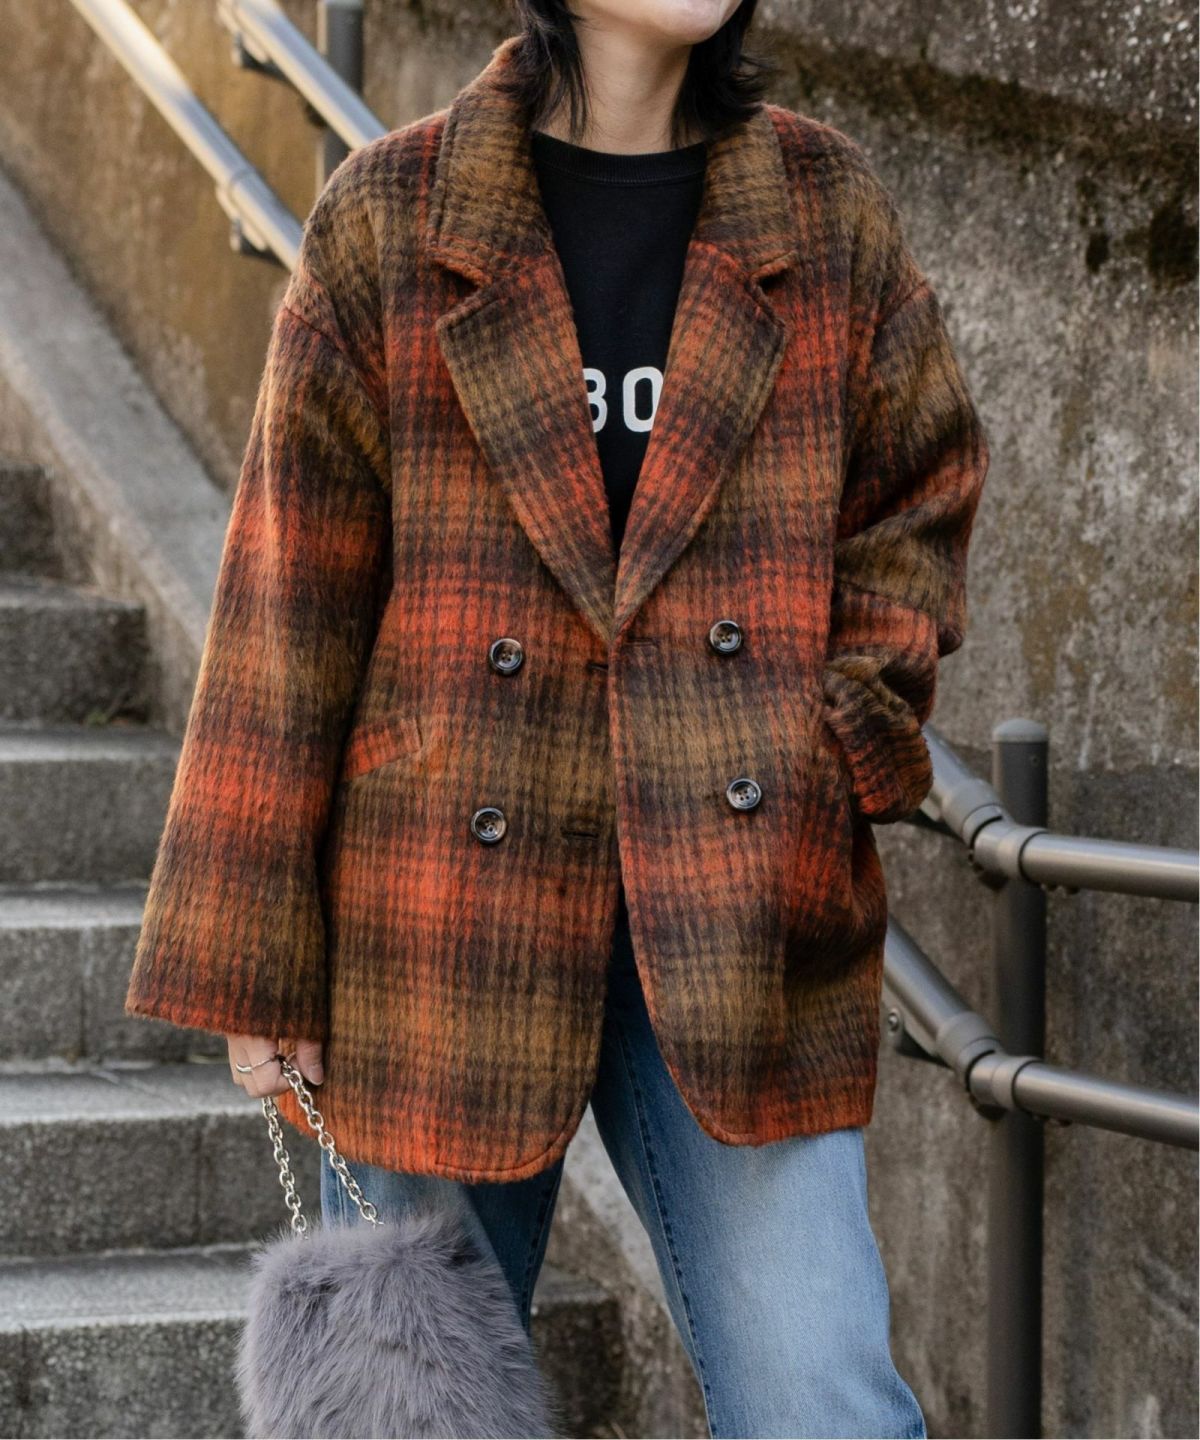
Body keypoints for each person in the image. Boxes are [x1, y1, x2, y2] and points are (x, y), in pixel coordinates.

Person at [124, 2, 990, 1435]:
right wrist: (255, 958)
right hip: (442, 918)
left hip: (735, 901)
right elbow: (290, 595)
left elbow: (921, 483)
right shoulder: (395, 215)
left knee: (825, 1397)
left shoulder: (821, 207)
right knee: (406, 1411)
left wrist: (839, 737)